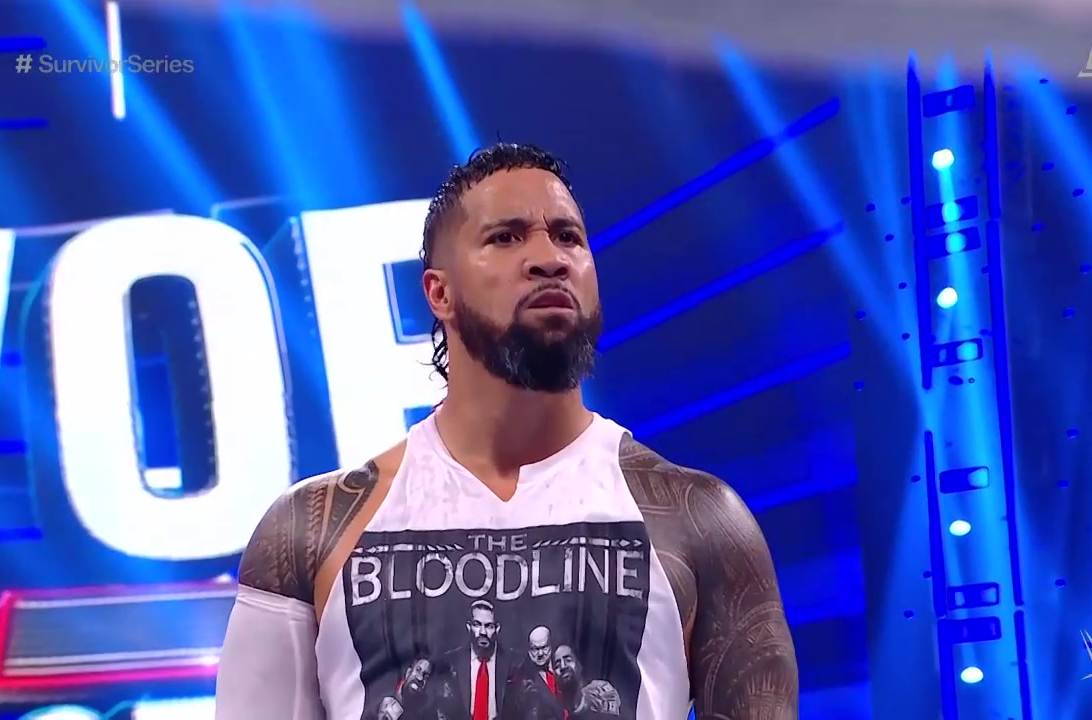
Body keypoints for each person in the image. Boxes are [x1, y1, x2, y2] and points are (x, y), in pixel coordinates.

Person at [213, 142, 799, 719]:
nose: (549, 258)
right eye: (506, 237)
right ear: (439, 292)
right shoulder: (311, 533)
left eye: (568, 236)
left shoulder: (701, 523)